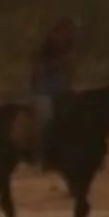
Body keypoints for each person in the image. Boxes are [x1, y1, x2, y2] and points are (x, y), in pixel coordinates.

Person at [28, 16, 77, 149]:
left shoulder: (67, 49)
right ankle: (41, 148)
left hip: (62, 91)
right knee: (45, 119)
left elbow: (69, 74)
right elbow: (38, 70)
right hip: (43, 92)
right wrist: (59, 64)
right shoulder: (44, 50)